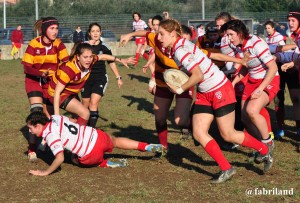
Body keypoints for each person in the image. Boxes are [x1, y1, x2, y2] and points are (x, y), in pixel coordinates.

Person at [157, 19, 273, 183]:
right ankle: (226, 168)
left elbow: (198, 75)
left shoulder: (181, 50)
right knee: (198, 132)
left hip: (220, 89)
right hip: (205, 92)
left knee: (228, 134)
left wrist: (179, 89)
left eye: (162, 34)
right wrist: (239, 61)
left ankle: (264, 149)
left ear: (172, 34)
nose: (159, 37)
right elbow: (210, 55)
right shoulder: (182, 44)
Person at [26, 111, 166, 176]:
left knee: (73, 158)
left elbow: (60, 158)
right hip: (95, 135)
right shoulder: (55, 117)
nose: (30, 131)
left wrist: (45, 172)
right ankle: (147, 146)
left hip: (89, 153)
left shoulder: (50, 135)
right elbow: (73, 121)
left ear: (38, 125)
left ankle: (104, 163)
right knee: (116, 141)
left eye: (30, 128)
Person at [222, 19, 279, 162]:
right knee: (245, 118)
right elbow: (247, 66)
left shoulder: (256, 43)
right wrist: (234, 82)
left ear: (240, 33)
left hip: (269, 79)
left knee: (252, 111)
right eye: (227, 35)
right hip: (252, 81)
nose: (228, 38)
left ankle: (268, 143)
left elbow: (273, 68)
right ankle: (263, 145)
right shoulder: (238, 46)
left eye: (231, 35)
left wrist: (260, 89)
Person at [47, 42, 135, 127]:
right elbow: (57, 92)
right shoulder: (69, 69)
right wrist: (57, 116)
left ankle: (63, 128)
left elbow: (103, 56)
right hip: (57, 94)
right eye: (85, 57)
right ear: (78, 57)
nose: (88, 60)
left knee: (79, 118)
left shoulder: (91, 60)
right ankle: (73, 132)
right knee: (85, 113)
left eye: (90, 57)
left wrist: (121, 60)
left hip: (69, 94)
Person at [22, 17, 69, 162]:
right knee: (36, 112)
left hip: (51, 83)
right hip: (34, 80)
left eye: (56, 28)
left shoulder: (59, 44)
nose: (55, 31)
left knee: (51, 116)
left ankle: (46, 142)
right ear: (44, 29)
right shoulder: (34, 43)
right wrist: (40, 73)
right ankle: (31, 149)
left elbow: (66, 63)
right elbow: (26, 67)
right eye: (52, 28)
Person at [81, 23, 129, 128]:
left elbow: (111, 61)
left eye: (97, 31)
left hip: (100, 78)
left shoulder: (104, 46)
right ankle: (83, 128)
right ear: (89, 33)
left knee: (93, 103)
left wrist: (118, 77)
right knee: (85, 105)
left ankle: (91, 130)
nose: (95, 33)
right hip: (85, 78)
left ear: (100, 33)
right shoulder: (83, 45)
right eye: (93, 31)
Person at [275, 10, 300, 138]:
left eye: (293, 20)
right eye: (288, 20)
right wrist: (279, 57)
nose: (290, 23)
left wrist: (291, 64)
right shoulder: (297, 36)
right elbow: (295, 54)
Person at [264, 20, 290, 138]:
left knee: (283, 98)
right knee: (276, 99)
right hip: (273, 68)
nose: (267, 30)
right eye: (266, 28)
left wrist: (276, 56)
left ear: (273, 28)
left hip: (282, 68)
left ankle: (284, 127)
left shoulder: (278, 37)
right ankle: (279, 126)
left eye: (269, 28)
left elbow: (281, 50)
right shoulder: (268, 38)